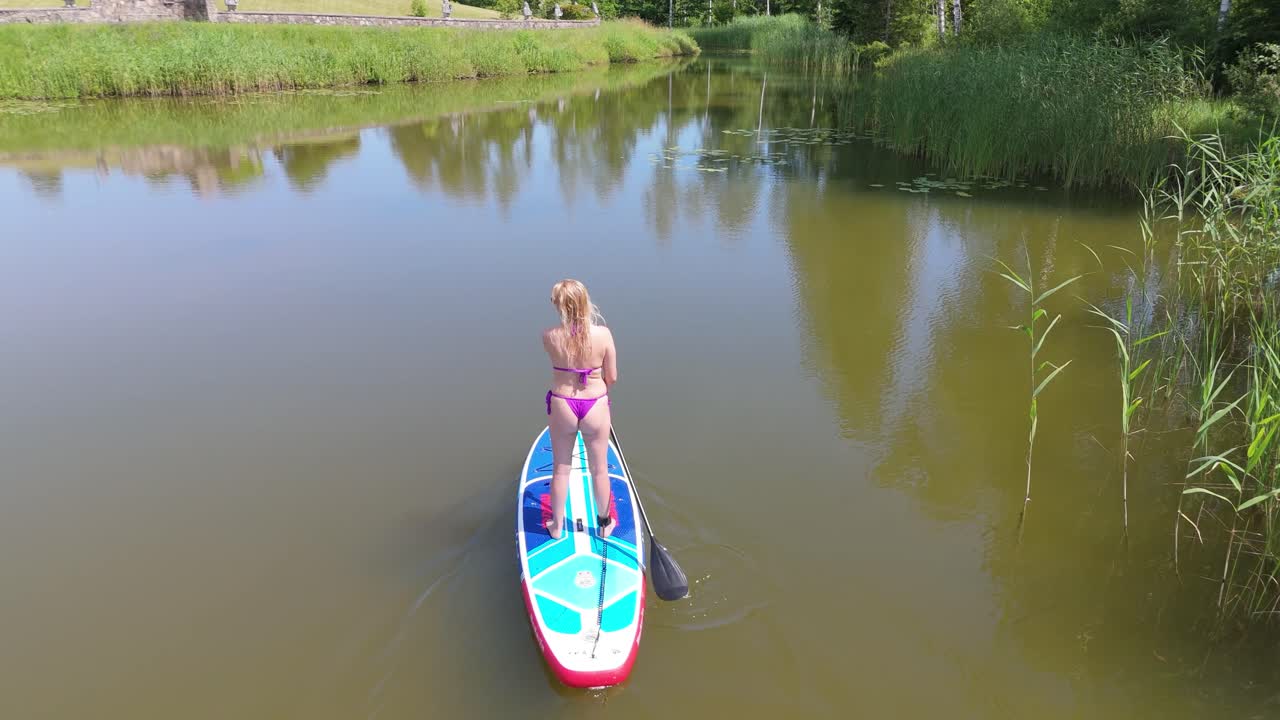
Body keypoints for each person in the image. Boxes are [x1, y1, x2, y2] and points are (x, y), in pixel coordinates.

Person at [542, 279, 618, 539]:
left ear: (559, 306)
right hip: (595, 403)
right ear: (585, 302)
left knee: (561, 468)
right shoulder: (603, 334)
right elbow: (612, 377)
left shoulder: (549, 336)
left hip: (563, 403)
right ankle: (604, 524)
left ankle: (556, 526)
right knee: (600, 469)